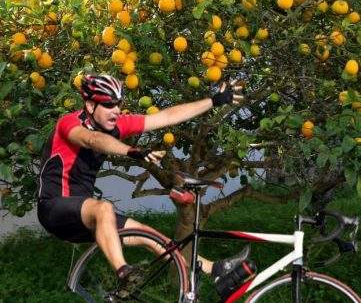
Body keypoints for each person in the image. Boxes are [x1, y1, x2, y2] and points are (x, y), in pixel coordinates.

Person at [36, 74, 247, 295]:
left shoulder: (117, 125)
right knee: (103, 207)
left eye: (118, 104)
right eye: (108, 105)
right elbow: (93, 140)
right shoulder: (69, 123)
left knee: (150, 235)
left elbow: (167, 116)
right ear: (90, 105)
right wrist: (131, 151)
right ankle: (124, 273)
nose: (116, 110)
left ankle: (213, 269)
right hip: (54, 207)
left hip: (86, 216)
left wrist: (214, 101)